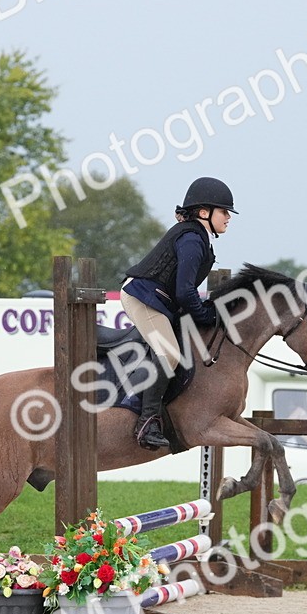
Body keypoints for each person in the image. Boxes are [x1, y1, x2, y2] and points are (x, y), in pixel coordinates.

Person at [120, 176, 236, 449]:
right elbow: (185, 292)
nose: (228, 217)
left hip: (160, 300)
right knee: (170, 353)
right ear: (204, 212)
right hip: (142, 298)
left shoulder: (200, 238)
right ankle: (147, 423)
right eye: (224, 211)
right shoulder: (192, 239)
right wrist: (207, 315)